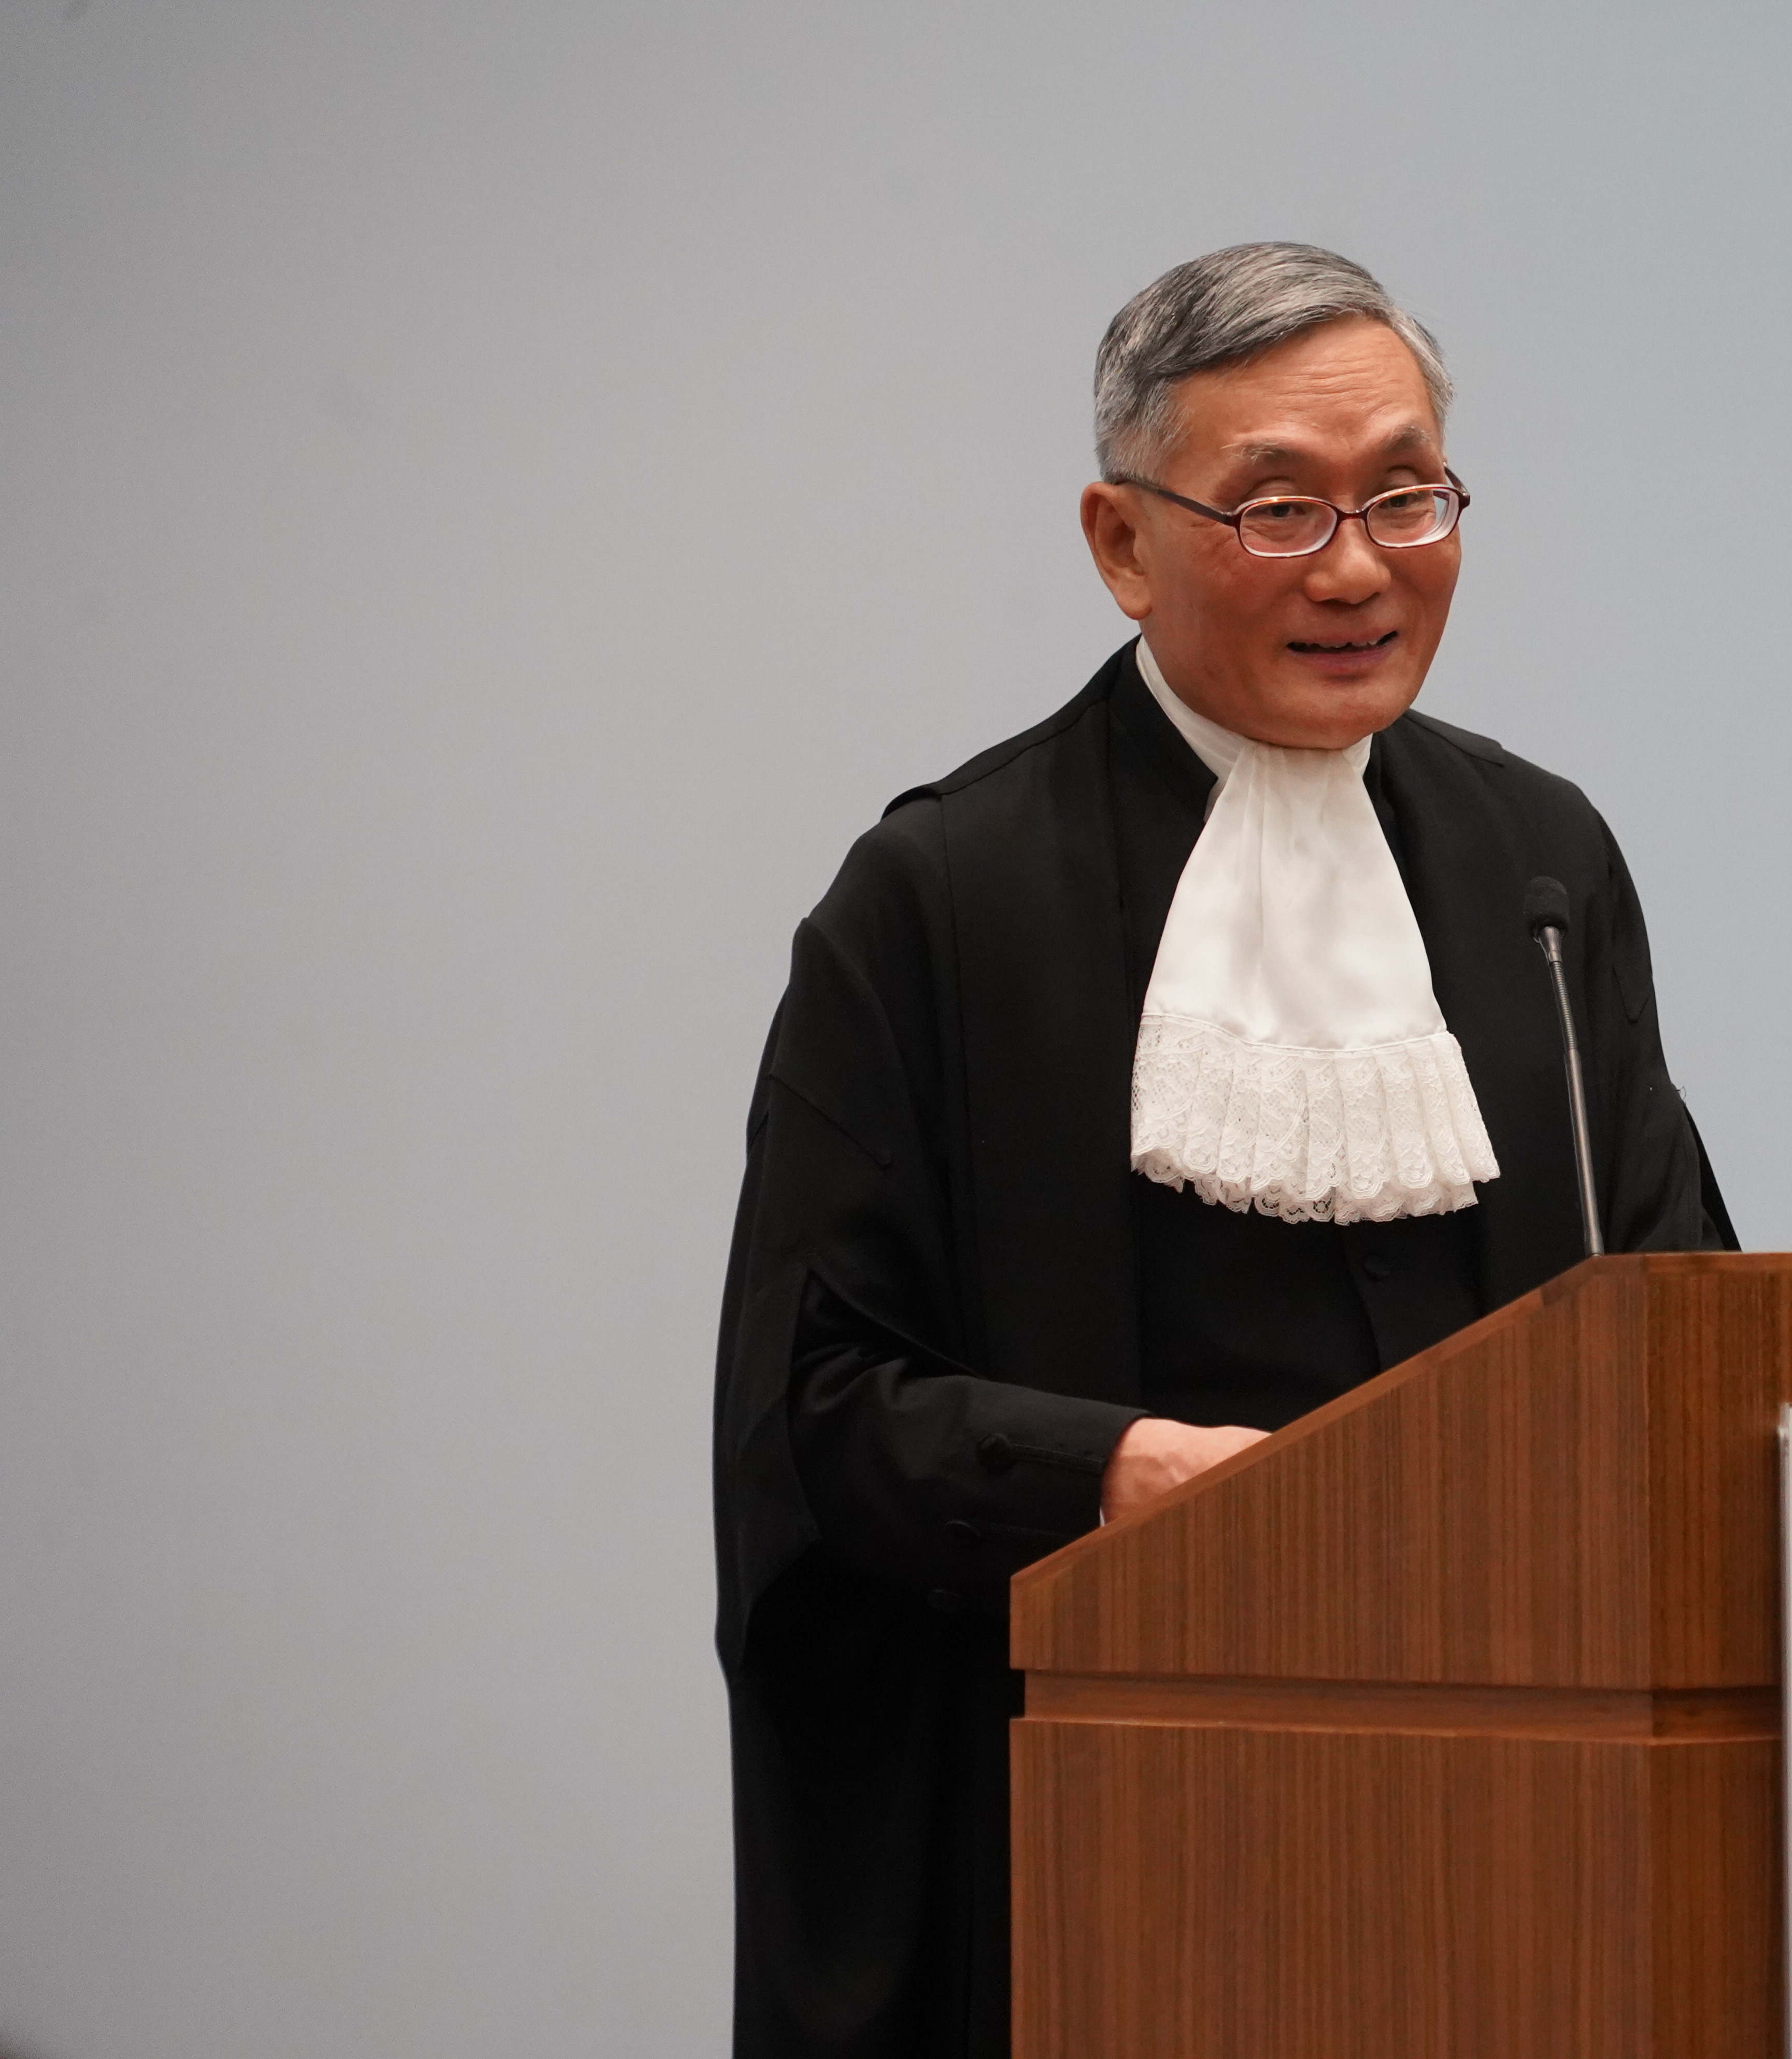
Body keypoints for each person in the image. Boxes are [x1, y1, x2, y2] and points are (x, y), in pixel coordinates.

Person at [709, 241, 1733, 2058]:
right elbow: (819, 1407)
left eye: (1406, 496)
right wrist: (1113, 1478)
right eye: (1278, 509)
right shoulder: (942, 899)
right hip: (1111, 1834)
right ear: (1123, 544)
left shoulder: (1538, 862)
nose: (1357, 568)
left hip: (1524, 1832)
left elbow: (1683, 1317)